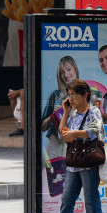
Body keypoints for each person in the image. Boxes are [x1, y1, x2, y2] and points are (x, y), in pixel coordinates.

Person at [43, 78, 106, 213]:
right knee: (67, 201)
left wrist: (74, 133)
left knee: (91, 202)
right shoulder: (72, 114)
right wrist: (65, 112)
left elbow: (94, 131)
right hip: (73, 164)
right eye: (69, 95)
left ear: (85, 95)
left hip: (88, 163)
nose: (70, 98)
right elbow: (62, 134)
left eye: (74, 95)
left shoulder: (93, 111)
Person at [41, 56, 80, 196]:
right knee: (56, 188)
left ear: (75, 69)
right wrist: (53, 115)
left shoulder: (86, 93)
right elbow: (42, 127)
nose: (66, 74)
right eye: (62, 72)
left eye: (68, 69)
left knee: (75, 188)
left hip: (76, 146)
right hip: (54, 145)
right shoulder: (55, 95)